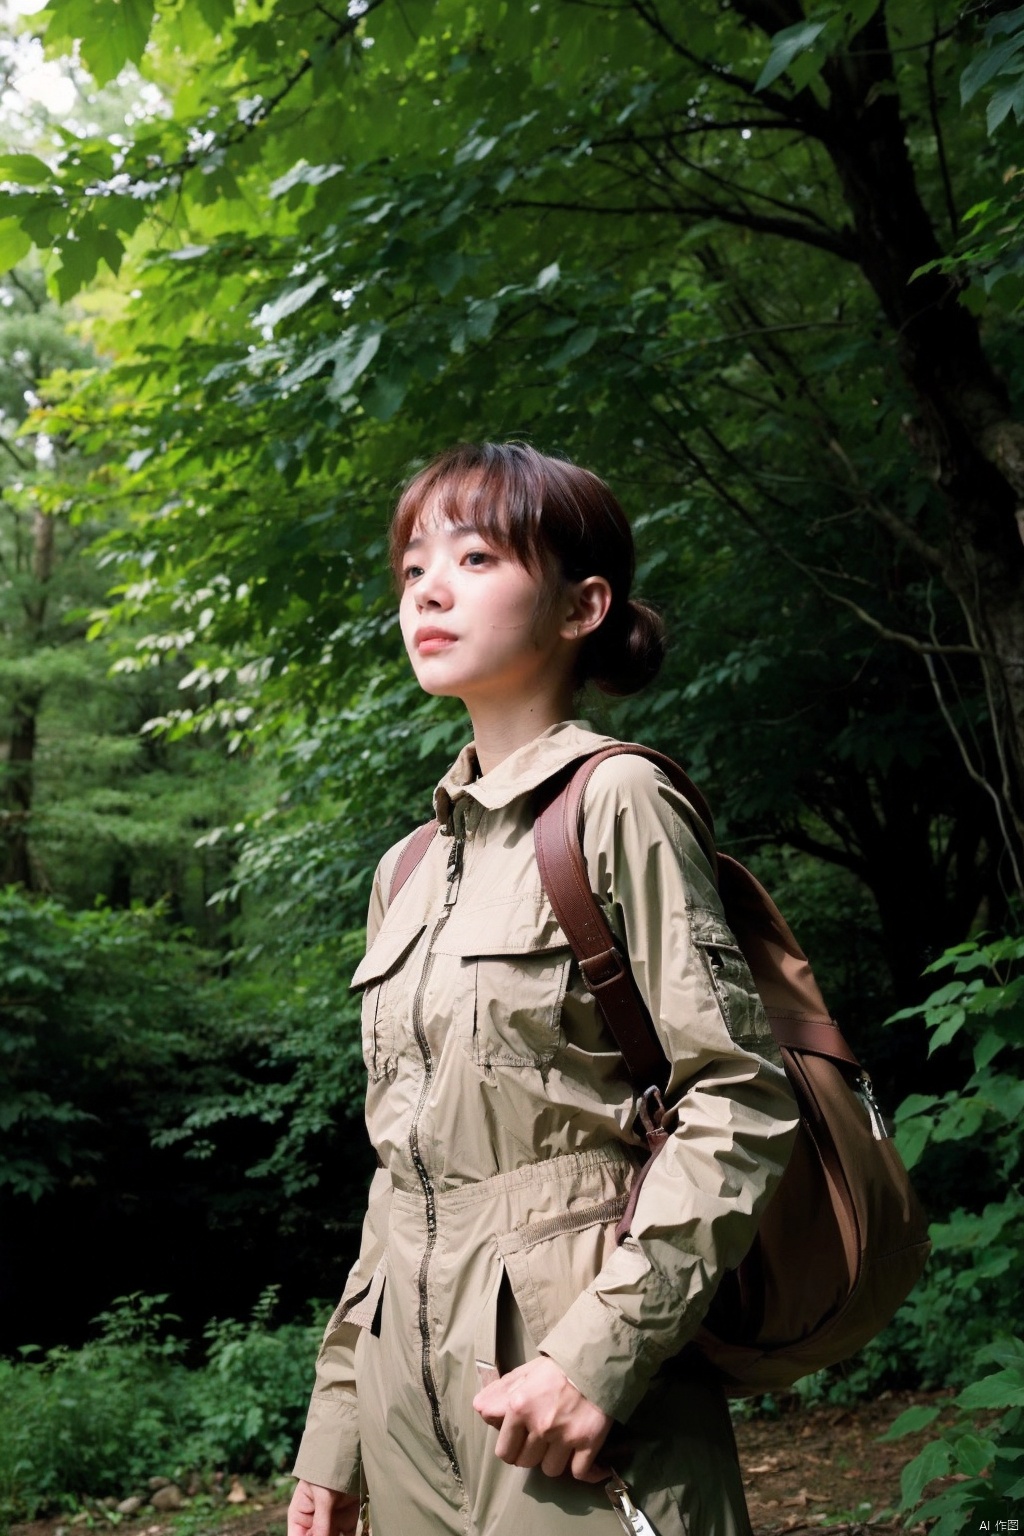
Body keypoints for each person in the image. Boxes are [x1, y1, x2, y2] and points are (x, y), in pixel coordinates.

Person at [288, 443, 799, 1536]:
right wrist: (337, 1436)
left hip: (573, 1379)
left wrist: (595, 1359)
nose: (427, 586)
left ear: (582, 606)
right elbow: (400, 1178)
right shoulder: (406, 869)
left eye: (474, 556)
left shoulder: (615, 801)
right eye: (413, 564)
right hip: (402, 1400)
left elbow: (738, 1099)